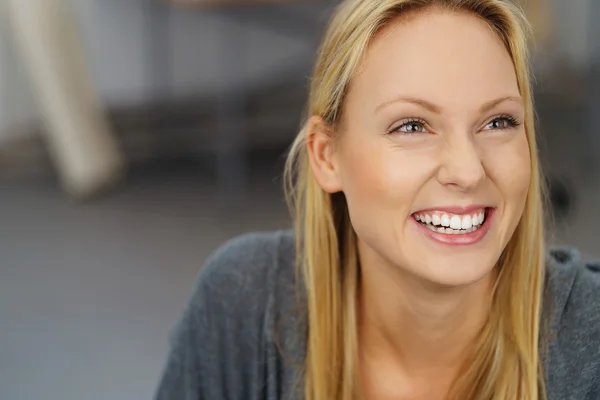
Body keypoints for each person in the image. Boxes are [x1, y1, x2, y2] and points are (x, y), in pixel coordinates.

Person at [154, 0, 600, 399]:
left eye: (499, 121)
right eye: (411, 126)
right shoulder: (242, 303)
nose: (467, 171)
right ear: (327, 157)